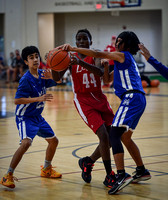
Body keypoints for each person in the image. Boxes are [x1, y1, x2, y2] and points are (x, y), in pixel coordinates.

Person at [59, 31, 151, 195]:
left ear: (125, 45)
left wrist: (72, 48)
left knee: (113, 135)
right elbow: (107, 79)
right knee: (124, 137)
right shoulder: (122, 61)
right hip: (135, 99)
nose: (116, 43)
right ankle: (141, 170)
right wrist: (107, 66)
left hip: (131, 97)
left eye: (119, 41)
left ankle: (120, 175)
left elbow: (95, 53)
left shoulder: (122, 55)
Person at [50, 29, 116, 188]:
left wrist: (81, 63)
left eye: (84, 39)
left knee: (113, 136)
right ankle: (109, 175)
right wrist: (53, 63)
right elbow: (57, 79)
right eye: (78, 40)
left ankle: (88, 162)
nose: (81, 42)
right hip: (83, 100)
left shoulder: (95, 55)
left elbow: (100, 72)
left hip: (99, 97)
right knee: (104, 135)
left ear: (90, 42)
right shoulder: (69, 59)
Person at [0, 46, 62, 189]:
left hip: (37, 117)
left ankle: (46, 169)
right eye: (31, 58)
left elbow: (58, 80)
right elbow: (17, 100)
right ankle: (7, 175)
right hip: (25, 117)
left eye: (36, 56)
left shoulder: (42, 74)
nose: (35, 59)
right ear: (26, 62)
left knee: (54, 141)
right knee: (26, 143)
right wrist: (38, 98)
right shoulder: (25, 79)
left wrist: (53, 66)